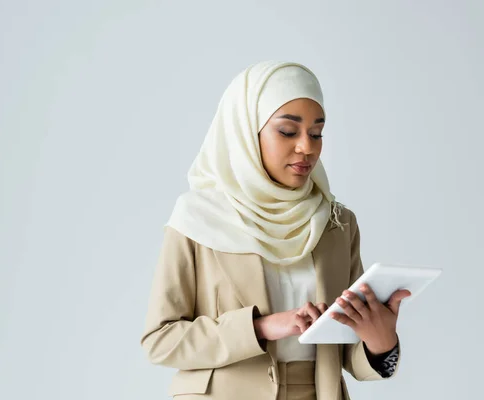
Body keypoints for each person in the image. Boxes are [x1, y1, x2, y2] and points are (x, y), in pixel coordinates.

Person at [140, 61, 410, 400]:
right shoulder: (198, 218)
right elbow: (160, 340)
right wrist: (261, 327)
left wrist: (380, 341)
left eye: (316, 133)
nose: (307, 148)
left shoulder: (336, 223)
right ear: (246, 131)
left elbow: (345, 352)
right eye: (287, 131)